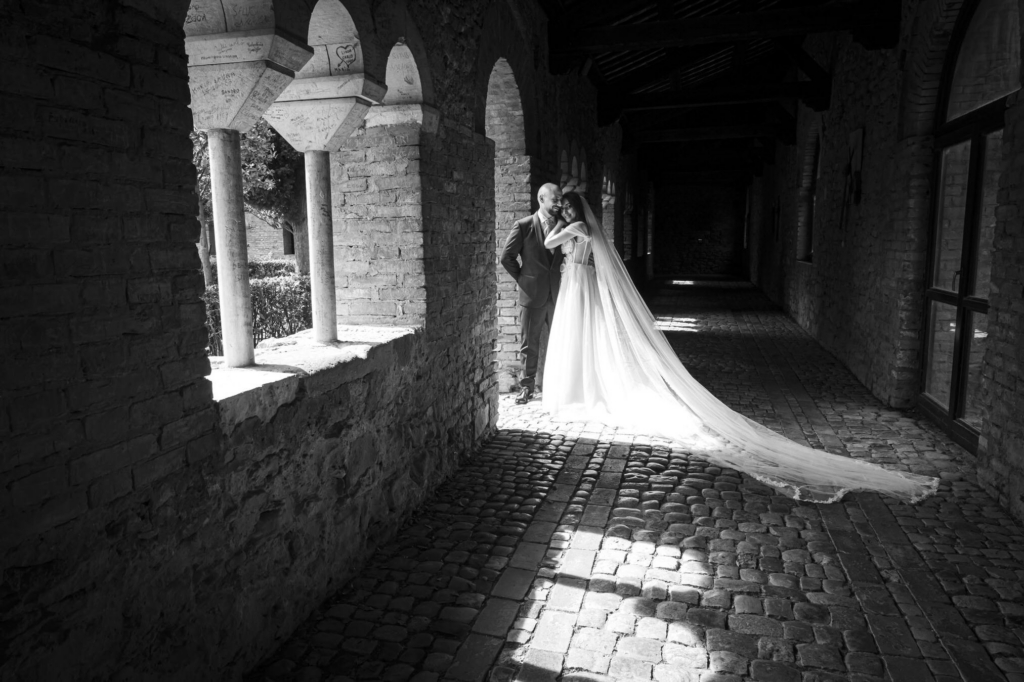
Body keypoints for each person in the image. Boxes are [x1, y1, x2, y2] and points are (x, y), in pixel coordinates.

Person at [541, 191, 939, 504]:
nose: (564, 210)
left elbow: (547, 241)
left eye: (566, 206)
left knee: (581, 335)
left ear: (573, 210)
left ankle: (583, 388)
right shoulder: (582, 229)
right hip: (578, 286)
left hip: (577, 286)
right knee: (583, 338)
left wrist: (555, 218)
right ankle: (582, 384)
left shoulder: (579, 230)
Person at [501, 183, 565, 404]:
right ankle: (526, 387)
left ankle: (559, 387)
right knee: (530, 344)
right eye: (554, 199)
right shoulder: (524, 225)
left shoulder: (565, 226)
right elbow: (506, 257)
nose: (559, 203)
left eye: (560, 199)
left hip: (560, 295)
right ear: (541, 199)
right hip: (532, 295)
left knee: (563, 341)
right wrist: (523, 279)